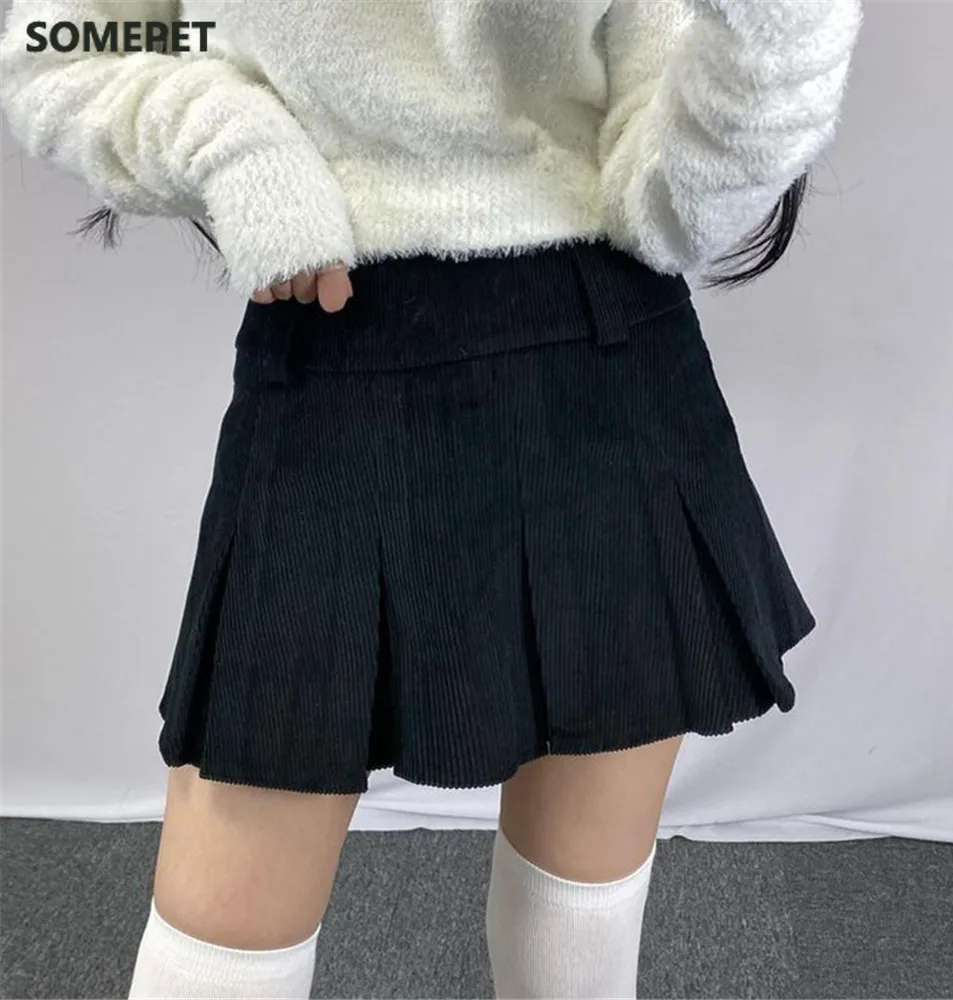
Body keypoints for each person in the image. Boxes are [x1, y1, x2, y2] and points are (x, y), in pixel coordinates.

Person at [0, 0, 862, 997]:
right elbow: (64, 41)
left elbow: (671, 202)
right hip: (338, 353)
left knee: (580, 917)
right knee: (222, 939)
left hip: (607, 352)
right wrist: (237, 148)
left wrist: (785, 18)